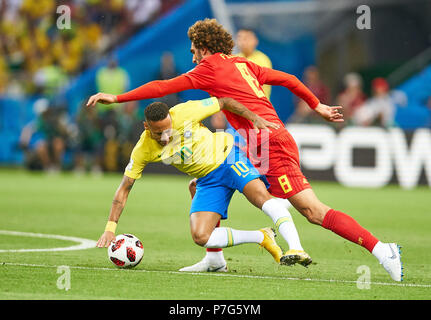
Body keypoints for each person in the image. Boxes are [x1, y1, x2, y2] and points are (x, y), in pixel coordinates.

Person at [87, 18, 403, 282]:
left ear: (206, 48)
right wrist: (316, 104)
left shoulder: (207, 69)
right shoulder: (244, 64)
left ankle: (380, 249)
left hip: (269, 142)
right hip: (256, 142)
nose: (193, 57)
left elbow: (162, 87)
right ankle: (215, 258)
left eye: (195, 50)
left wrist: (117, 98)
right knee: (200, 183)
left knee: (313, 211)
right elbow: (289, 79)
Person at [96, 97, 306, 269]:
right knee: (200, 236)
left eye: (168, 129)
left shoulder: (186, 111)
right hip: (208, 180)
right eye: (159, 133)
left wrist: (254, 118)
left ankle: (296, 247)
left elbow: (224, 102)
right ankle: (261, 236)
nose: (166, 137)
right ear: (146, 126)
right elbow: (125, 188)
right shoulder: (143, 149)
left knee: (262, 198)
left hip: (229, 159)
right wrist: (110, 227)